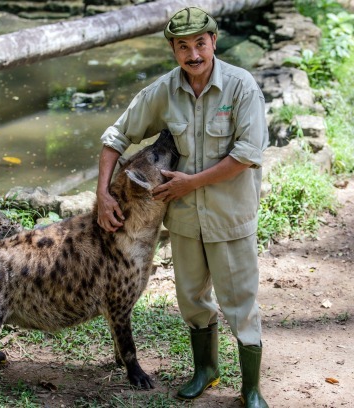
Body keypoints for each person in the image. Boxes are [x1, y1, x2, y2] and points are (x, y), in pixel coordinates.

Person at [95, 6, 269, 407]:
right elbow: (116, 135)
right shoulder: (164, 91)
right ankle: (206, 370)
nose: (193, 55)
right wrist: (103, 194)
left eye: (200, 44)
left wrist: (191, 181)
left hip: (229, 217)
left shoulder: (242, 88)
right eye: (183, 47)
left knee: (240, 302)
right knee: (192, 299)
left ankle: (251, 388)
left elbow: (247, 153)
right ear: (173, 50)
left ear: (214, 42)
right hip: (186, 221)